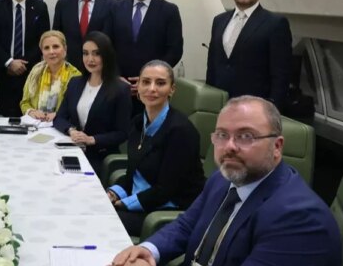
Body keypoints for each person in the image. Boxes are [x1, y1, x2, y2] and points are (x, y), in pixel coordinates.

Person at [105, 95, 341, 266]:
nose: (230, 146)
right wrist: (149, 249)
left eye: (246, 136)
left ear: (277, 146)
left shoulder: (300, 216)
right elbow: (186, 224)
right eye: (222, 135)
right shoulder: (223, 179)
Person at [107, 60, 205, 237]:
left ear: (172, 90)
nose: (152, 89)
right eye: (146, 82)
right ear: (138, 86)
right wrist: (113, 194)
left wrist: (123, 204)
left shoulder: (181, 131)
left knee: (100, 220)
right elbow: (133, 174)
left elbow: (166, 190)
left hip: (166, 212)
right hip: (142, 202)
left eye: (160, 83)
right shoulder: (138, 123)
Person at [206, 0, 293, 110]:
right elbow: (212, 66)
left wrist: (271, 109)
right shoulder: (219, 21)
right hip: (220, 106)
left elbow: (281, 74)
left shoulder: (275, 23)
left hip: (254, 109)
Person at [104, 0, 183, 115]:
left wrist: (148, 78)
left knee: (149, 127)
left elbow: (175, 50)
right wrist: (115, 76)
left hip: (153, 90)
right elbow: (106, 46)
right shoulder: (116, 8)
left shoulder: (169, 11)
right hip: (118, 86)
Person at [53, 31, 131, 173]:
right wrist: (71, 130)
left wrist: (92, 139)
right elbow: (59, 118)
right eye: (85, 53)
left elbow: (122, 133)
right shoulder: (75, 82)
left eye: (96, 54)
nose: (90, 59)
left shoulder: (121, 89)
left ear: (107, 55)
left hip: (100, 157)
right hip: (72, 150)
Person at [52, 0, 117, 73]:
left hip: (99, 70)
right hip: (68, 70)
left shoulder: (112, 5)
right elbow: (56, 38)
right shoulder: (63, 4)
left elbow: (115, 41)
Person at [20, 30, 81, 122]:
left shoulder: (75, 75)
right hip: (35, 124)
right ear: (42, 52)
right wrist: (31, 112)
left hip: (61, 125)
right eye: (46, 48)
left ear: (65, 49)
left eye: (56, 46)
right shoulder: (36, 71)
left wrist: (58, 115)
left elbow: (76, 109)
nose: (51, 51)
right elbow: (24, 102)